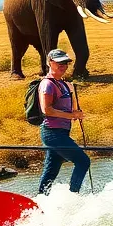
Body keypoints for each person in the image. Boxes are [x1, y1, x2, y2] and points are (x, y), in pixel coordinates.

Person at [37, 48, 91, 194]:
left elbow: (70, 108)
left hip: (61, 132)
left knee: (51, 171)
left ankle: (40, 200)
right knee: (83, 161)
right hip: (52, 133)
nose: (63, 66)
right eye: (59, 63)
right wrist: (71, 115)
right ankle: (73, 196)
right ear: (50, 62)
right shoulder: (47, 84)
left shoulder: (63, 84)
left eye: (66, 63)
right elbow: (47, 110)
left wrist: (75, 111)